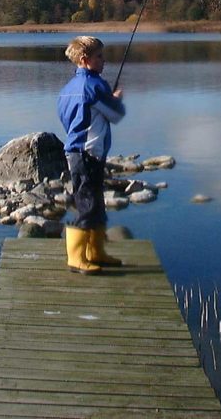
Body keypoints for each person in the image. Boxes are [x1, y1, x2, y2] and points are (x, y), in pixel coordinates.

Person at [57, 36, 126, 274]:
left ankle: (96, 252)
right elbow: (115, 115)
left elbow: (68, 120)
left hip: (77, 152)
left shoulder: (67, 90)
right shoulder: (94, 86)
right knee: (88, 204)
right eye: (99, 57)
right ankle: (77, 258)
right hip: (88, 153)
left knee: (95, 203)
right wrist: (116, 100)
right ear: (85, 60)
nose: (103, 61)